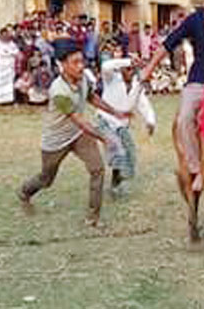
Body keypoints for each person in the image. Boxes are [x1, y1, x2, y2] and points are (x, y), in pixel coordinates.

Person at [17, 38, 129, 227]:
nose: (80, 66)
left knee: (97, 169)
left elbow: (92, 97)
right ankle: (24, 192)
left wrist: (115, 111)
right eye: (75, 62)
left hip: (78, 135)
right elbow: (80, 120)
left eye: (82, 61)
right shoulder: (58, 91)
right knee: (46, 179)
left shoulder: (83, 78)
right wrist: (103, 138)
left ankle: (93, 218)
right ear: (62, 65)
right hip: (56, 140)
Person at [147, 0, 204, 192]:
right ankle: (197, 168)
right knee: (184, 119)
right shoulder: (194, 21)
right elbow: (168, 43)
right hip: (197, 83)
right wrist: (149, 69)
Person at [97, 56, 158, 197]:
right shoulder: (111, 78)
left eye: (133, 69)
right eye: (128, 69)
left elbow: (143, 104)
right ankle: (111, 185)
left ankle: (115, 184)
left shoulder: (137, 85)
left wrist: (150, 121)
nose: (130, 71)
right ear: (122, 69)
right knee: (118, 150)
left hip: (122, 125)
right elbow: (106, 66)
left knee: (130, 154)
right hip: (105, 120)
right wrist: (128, 61)